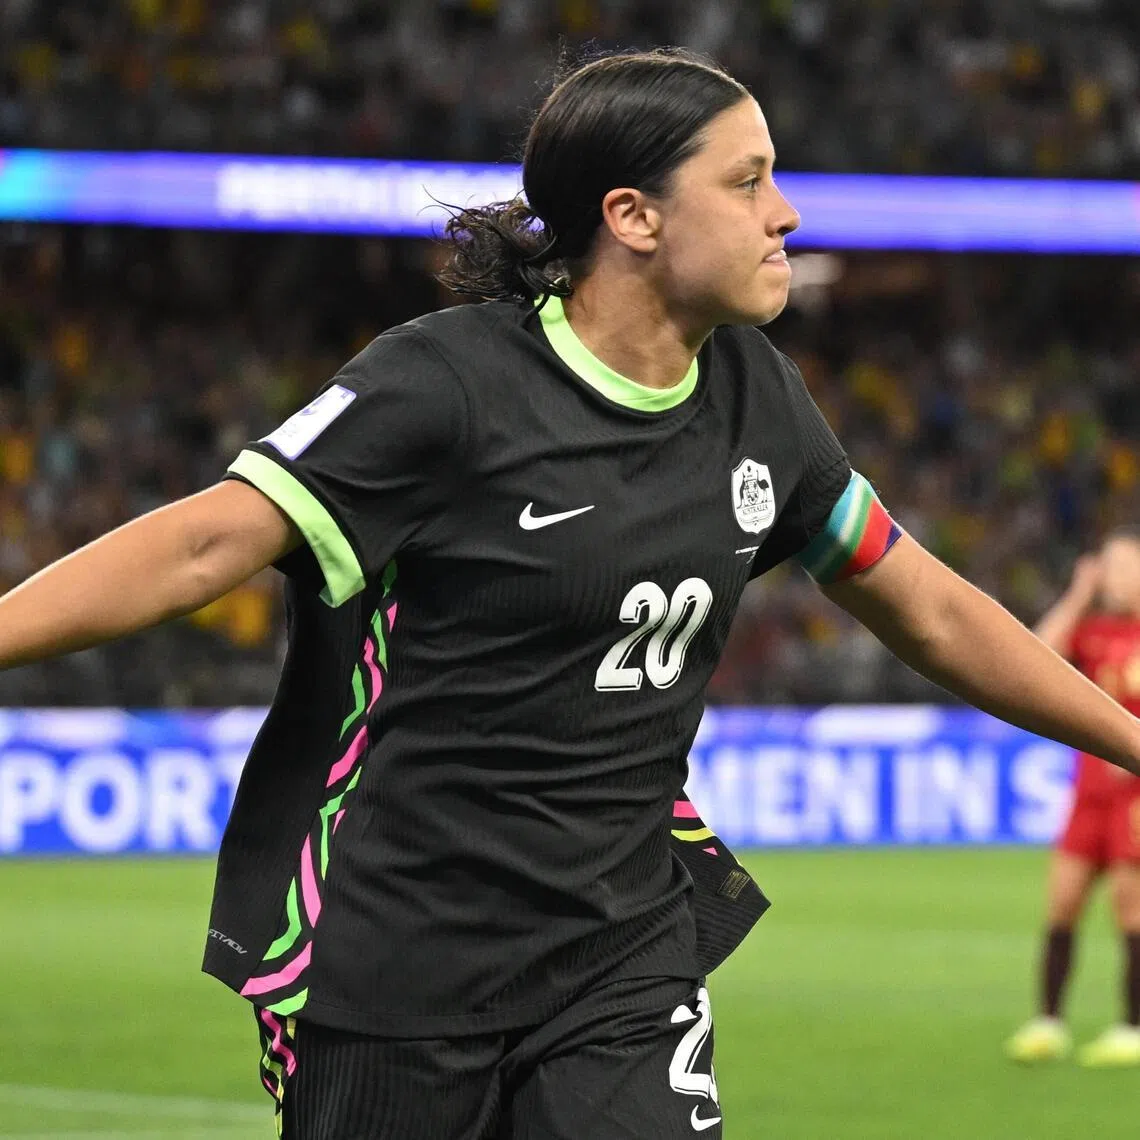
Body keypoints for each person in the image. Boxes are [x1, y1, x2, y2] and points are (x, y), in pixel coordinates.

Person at [3, 48, 1140, 1139]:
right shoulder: (446, 384)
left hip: (622, 955)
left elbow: (931, 610)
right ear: (633, 217)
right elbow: (206, 544)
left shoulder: (758, 398)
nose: (785, 213)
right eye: (746, 182)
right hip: (402, 959)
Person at [1005, 530, 1140, 1068]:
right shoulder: (1091, 628)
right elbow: (1033, 656)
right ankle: (1048, 1022)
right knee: (1062, 903)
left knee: (1130, 911)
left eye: (1127, 567)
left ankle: (1132, 1028)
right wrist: (1079, 593)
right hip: (1088, 795)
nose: (1118, 576)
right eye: (1109, 566)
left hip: (1134, 797)